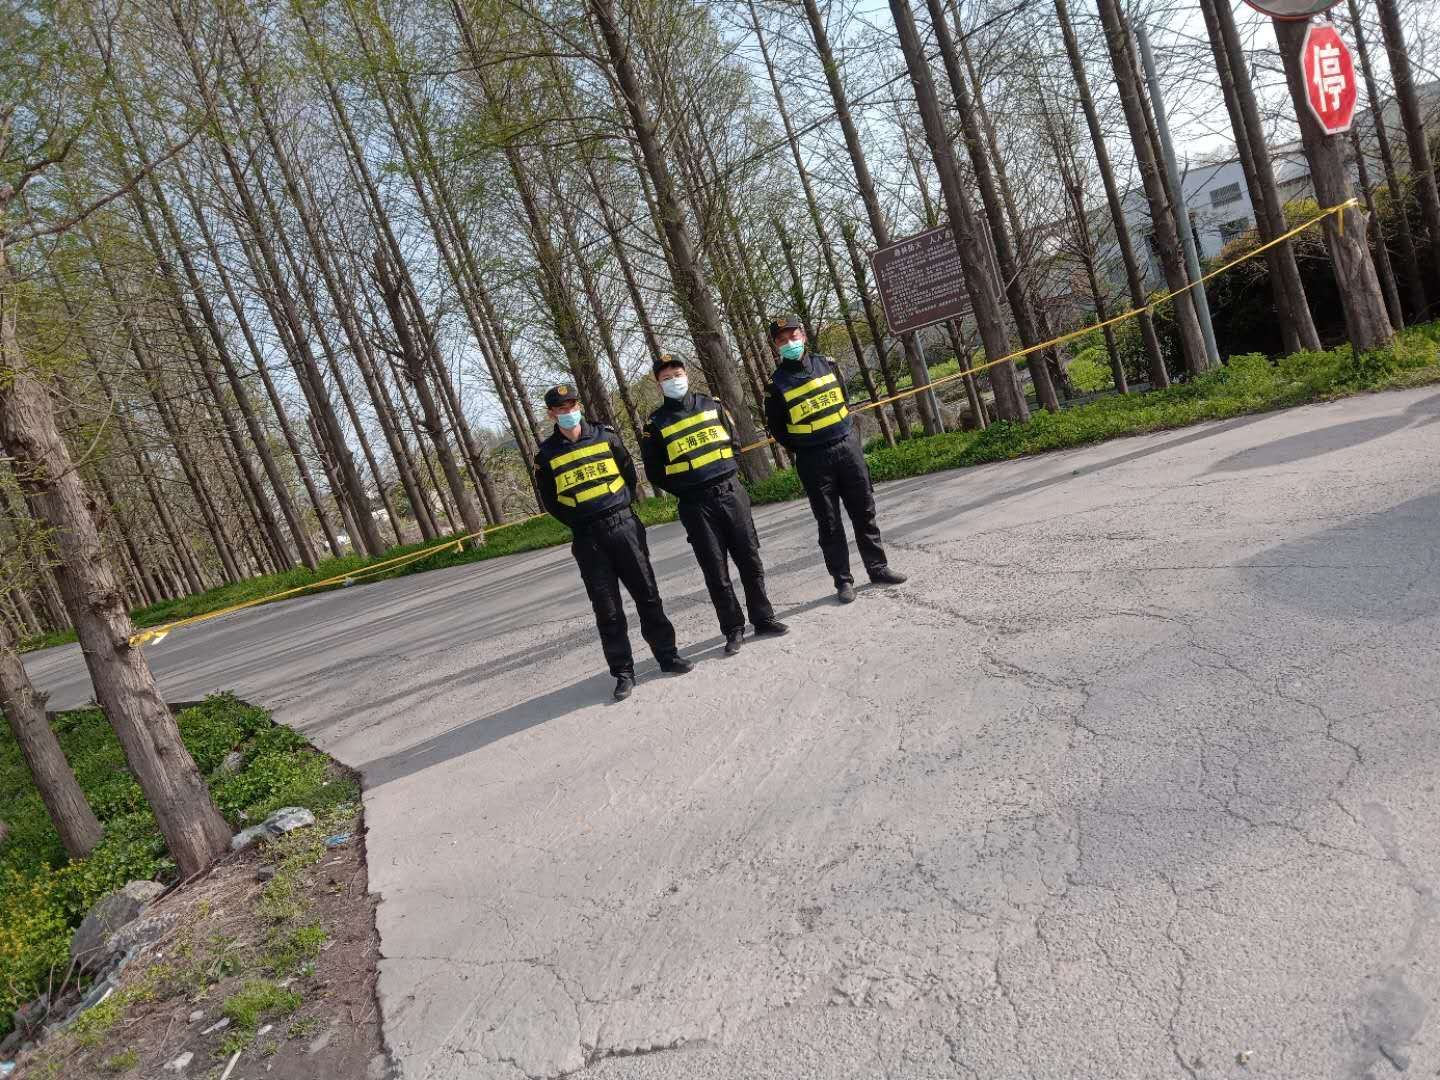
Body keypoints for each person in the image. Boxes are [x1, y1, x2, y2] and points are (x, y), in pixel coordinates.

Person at [533, 383, 693, 700]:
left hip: (623, 526)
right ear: (551, 414)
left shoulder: (605, 436)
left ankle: (667, 655)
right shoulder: (546, 455)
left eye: (572, 405)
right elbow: (551, 501)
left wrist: (619, 506)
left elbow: (628, 475)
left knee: (647, 595)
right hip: (588, 538)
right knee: (607, 611)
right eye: (561, 408)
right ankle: (623, 673)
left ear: (579, 406)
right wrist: (581, 521)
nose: (568, 412)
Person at [641, 353, 789, 656]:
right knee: (716, 571)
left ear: (686, 374)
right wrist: (688, 487)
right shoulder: (655, 424)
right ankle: (733, 629)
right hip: (696, 504)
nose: (673, 380)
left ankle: (763, 618)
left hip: (731, 493)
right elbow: (655, 472)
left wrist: (723, 473)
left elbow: (734, 444)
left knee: (750, 559)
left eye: (677, 374)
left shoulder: (713, 405)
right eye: (666, 378)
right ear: (658, 384)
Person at [763, 315, 906, 603]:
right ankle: (843, 581)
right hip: (813, 458)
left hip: (846, 447)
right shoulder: (776, 385)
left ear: (803, 335)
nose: (789, 343)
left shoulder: (827, 365)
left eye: (793, 336)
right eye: (782, 340)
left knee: (864, 510)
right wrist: (807, 444)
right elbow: (778, 430)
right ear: (775, 347)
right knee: (829, 523)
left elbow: (844, 401)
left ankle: (878, 568)